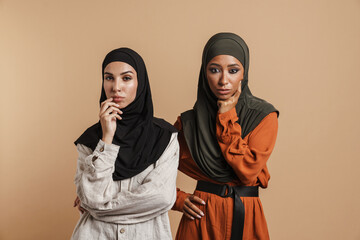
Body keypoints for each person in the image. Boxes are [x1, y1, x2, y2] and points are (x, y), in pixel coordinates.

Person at [172, 33, 279, 240]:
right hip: (201, 216)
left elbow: (247, 170)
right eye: (214, 70)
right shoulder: (188, 123)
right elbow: (153, 170)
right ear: (204, 73)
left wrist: (226, 117)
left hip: (246, 215)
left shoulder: (263, 116)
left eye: (233, 70)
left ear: (243, 73)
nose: (223, 80)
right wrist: (177, 199)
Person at [71, 47, 179, 240]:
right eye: (109, 78)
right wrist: (106, 139)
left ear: (141, 82)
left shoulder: (164, 137)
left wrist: (97, 207)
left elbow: (161, 198)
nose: (116, 87)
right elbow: (91, 198)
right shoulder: (89, 140)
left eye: (126, 78)